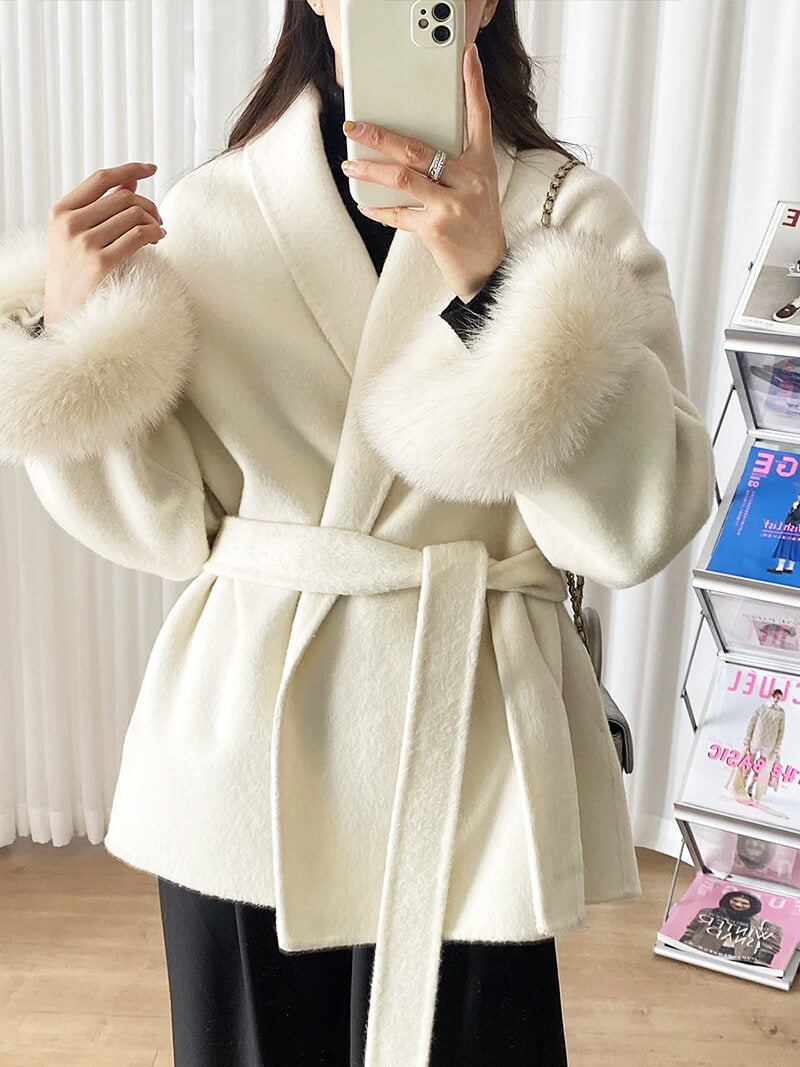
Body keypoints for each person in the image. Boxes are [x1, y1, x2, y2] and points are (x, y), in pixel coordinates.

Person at [0, 1, 716, 1063]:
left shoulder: (565, 211)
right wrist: (71, 331)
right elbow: (162, 525)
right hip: (247, 751)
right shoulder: (208, 214)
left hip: (470, 741)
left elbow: (635, 526)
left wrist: (497, 285)